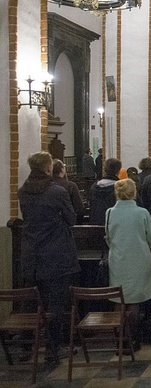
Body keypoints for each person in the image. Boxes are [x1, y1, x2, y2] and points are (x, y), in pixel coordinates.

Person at [18, 152, 79, 363]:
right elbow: (71, 219)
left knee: (33, 301)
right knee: (56, 303)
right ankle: (54, 348)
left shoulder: (22, 191)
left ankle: (27, 345)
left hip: (31, 253)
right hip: (56, 254)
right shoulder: (58, 191)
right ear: (47, 168)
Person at [105, 178, 151, 349]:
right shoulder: (142, 213)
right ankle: (133, 338)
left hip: (118, 259)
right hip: (139, 258)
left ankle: (121, 338)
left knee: (119, 299)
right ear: (134, 193)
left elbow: (108, 237)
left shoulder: (110, 213)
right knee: (134, 300)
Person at [90, 158, 122, 225]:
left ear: (104, 170)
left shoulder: (94, 187)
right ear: (118, 171)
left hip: (96, 223)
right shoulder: (120, 188)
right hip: (114, 224)